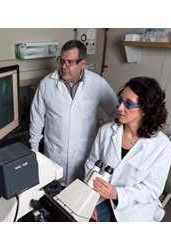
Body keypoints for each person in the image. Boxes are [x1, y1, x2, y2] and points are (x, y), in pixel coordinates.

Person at [85, 76, 171, 222]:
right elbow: (91, 164)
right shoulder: (106, 131)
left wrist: (117, 194)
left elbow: (151, 190)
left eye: (128, 104)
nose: (119, 107)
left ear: (145, 110)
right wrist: (89, 202)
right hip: (100, 200)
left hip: (134, 211)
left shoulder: (162, 147)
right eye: (120, 100)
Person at [29, 40, 117, 186]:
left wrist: (105, 133)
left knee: (79, 196)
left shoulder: (97, 83)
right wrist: (34, 151)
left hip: (84, 156)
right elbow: (36, 119)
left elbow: (116, 110)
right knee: (54, 195)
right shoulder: (46, 84)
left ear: (83, 63)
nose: (64, 67)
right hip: (54, 156)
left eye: (70, 62)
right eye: (61, 61)